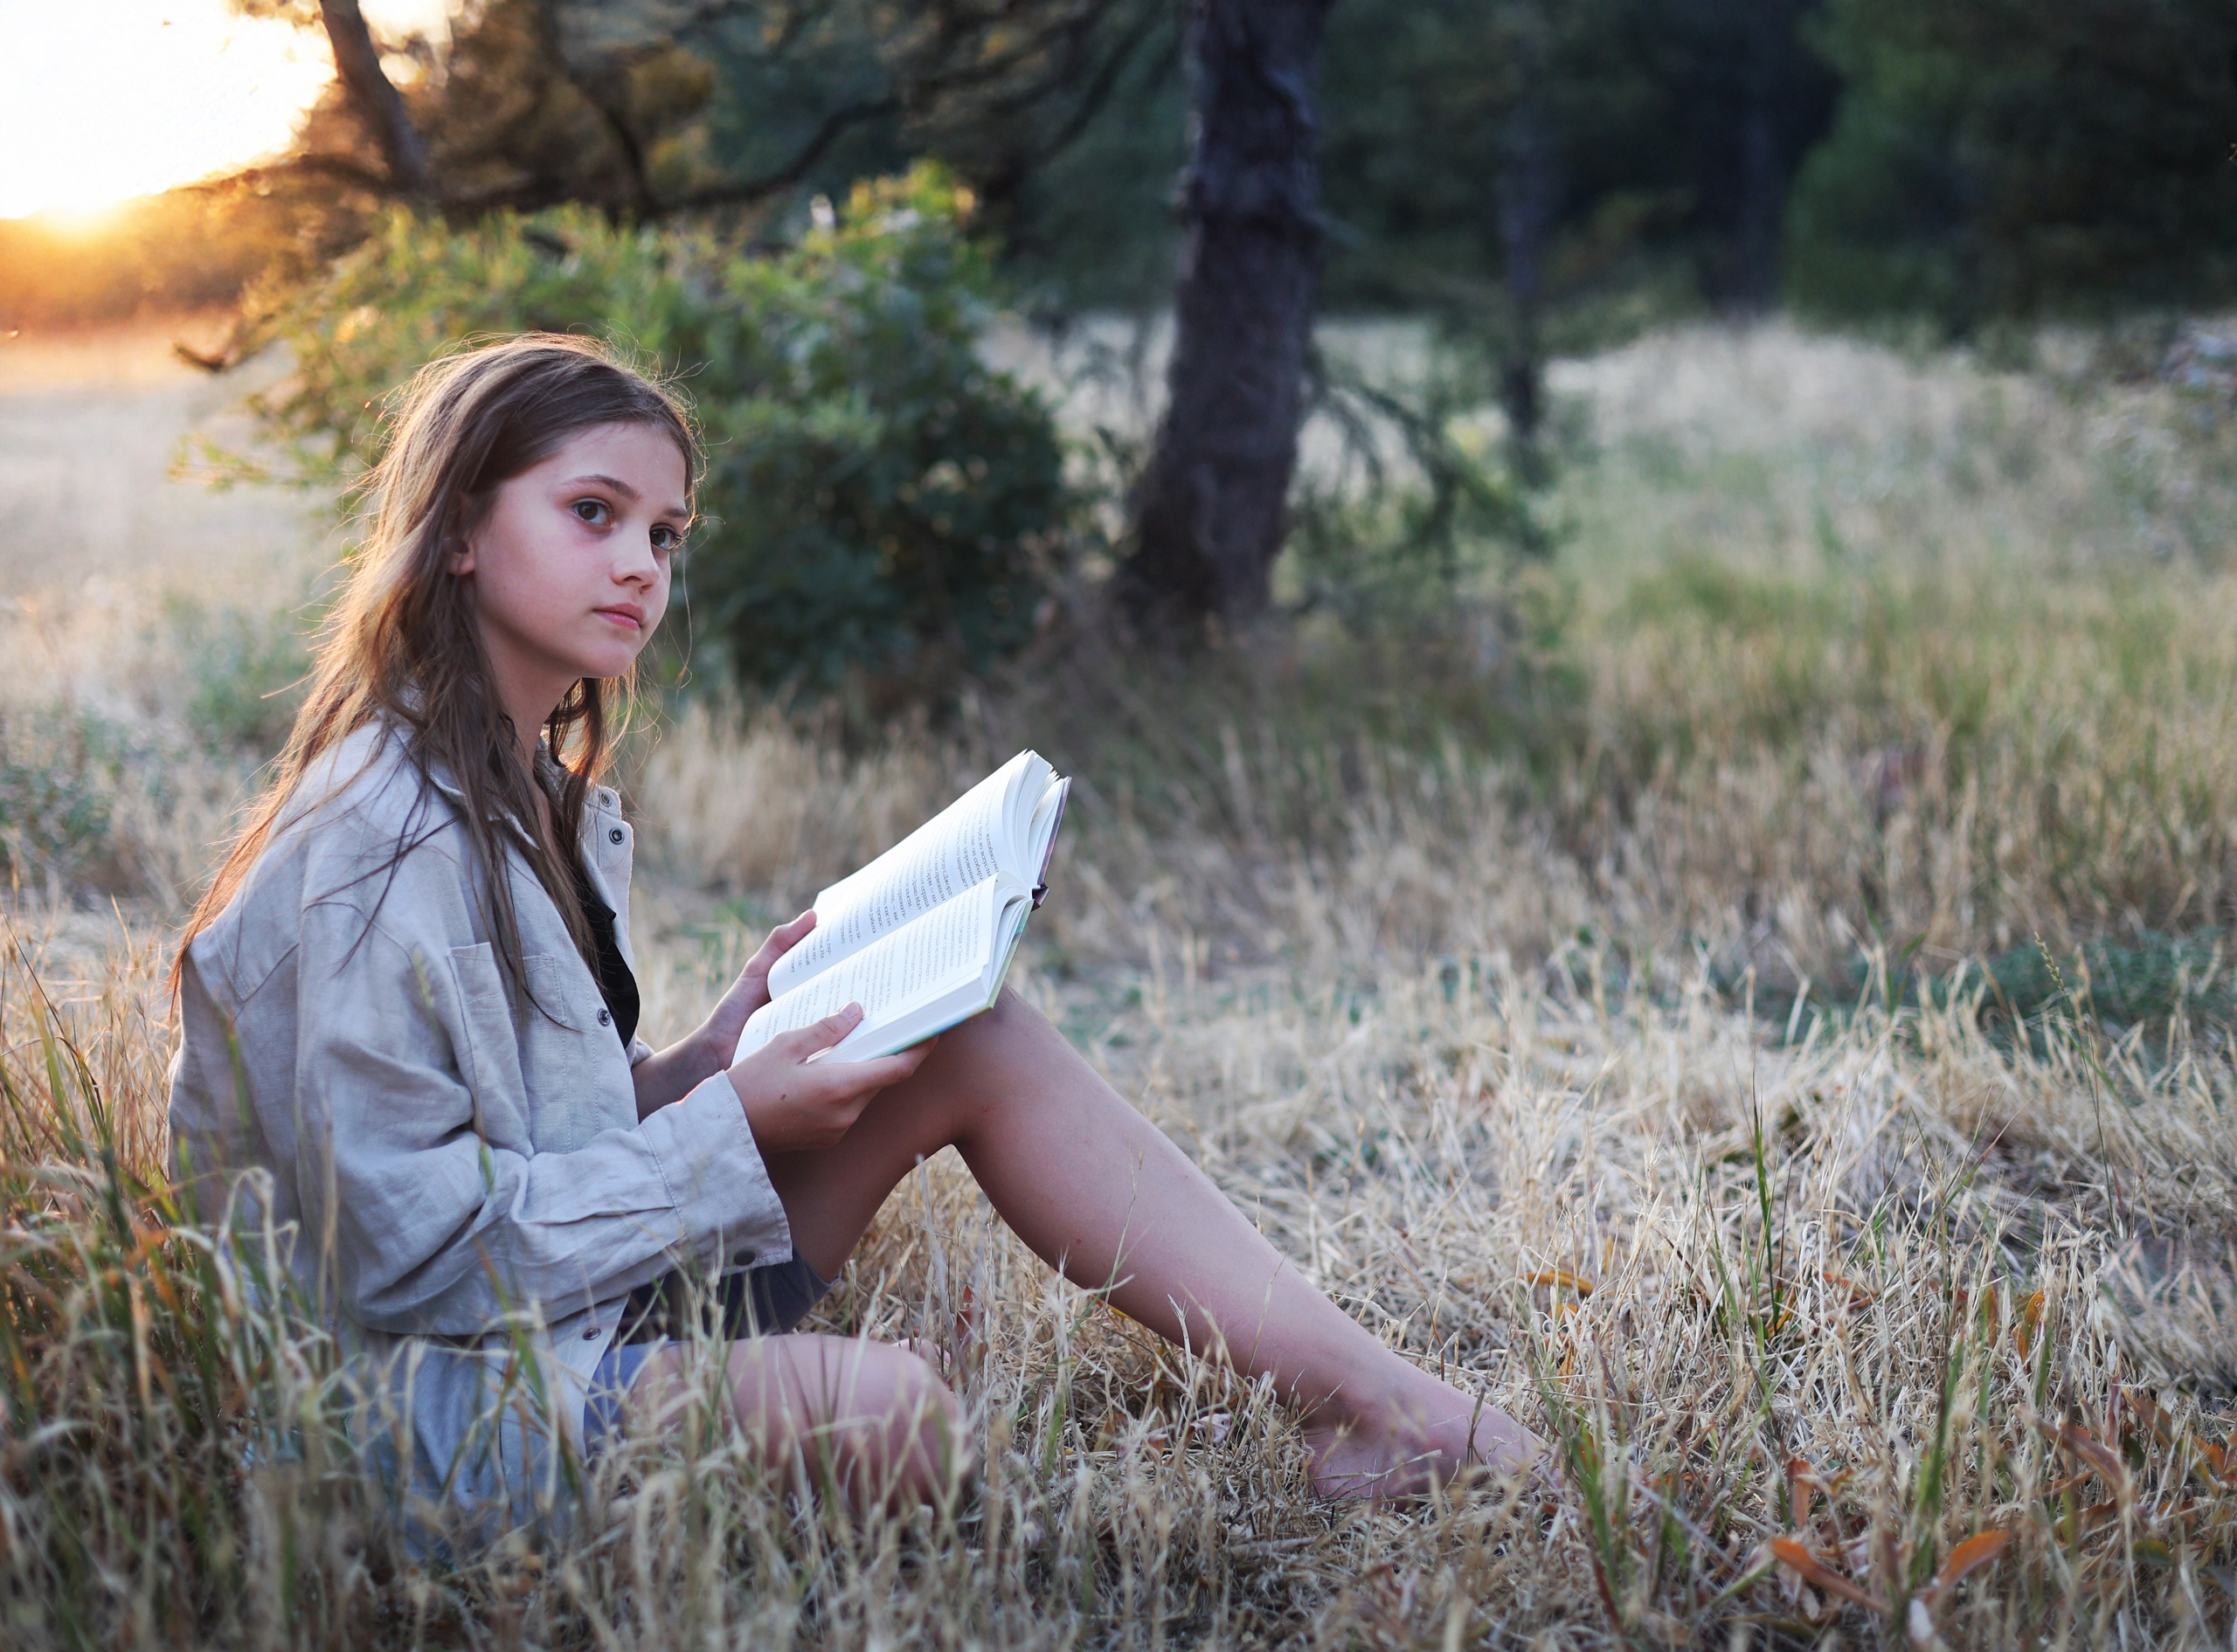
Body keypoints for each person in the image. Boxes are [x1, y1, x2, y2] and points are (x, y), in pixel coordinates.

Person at [167, 335, 1539, 1529]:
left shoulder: (532, 793)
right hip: (417, 1402)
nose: (639, 565)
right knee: (887, 1413)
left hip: (553, 1311)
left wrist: (713, 1057)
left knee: (968, 1034)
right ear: (460, 526)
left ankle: (1387, 1409)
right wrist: (735, 1125)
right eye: (593, 512)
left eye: (662, 533)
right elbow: (399, 1261)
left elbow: (535, 1141)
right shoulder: (369, 848)